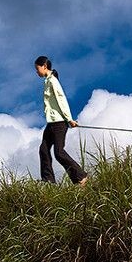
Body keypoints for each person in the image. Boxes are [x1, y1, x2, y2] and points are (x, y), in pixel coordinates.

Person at [34, 56, 88, 186]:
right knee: (43, 150)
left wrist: (69, 119)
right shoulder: (47, 81)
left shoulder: (53, 81)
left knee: (59, 152)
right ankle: (49, 181)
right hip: (51, 123)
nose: (36, 72)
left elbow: (61, 99)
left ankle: (81, 177)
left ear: (44, 66)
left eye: (37, 69)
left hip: (59, 123)